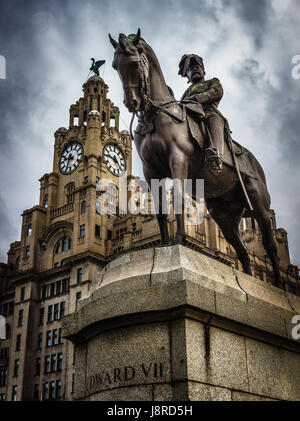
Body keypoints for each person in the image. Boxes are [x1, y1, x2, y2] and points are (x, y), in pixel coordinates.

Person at [179, 54, 225, 173]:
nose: (194, 69)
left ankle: (216, 154)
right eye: (190, 69)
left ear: (203, 71)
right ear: (187, 77)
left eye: (197, 67)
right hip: (190, 116)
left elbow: (217, 92)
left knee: (213, 119)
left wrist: (197, 98)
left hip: (208, 112)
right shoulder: (186, 92)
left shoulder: (212, 82)